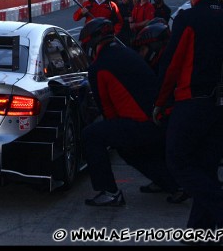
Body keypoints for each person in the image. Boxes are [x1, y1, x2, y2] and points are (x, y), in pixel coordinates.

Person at [154, 0, 223, 237]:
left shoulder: (189, 19)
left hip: (190, 103)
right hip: (219, 106)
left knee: (177, 162)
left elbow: (172, 64)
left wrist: (161, 101)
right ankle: (202, 233)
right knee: (206, 169)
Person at [78, 18, 183, 207]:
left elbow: (107, 110)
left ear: (92, 44)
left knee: (91, 135)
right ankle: (172, 184)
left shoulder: (99, 67)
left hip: (141, 123)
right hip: (157, 120)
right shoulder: (126, 52)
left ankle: (109, 191)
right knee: (129, 149)